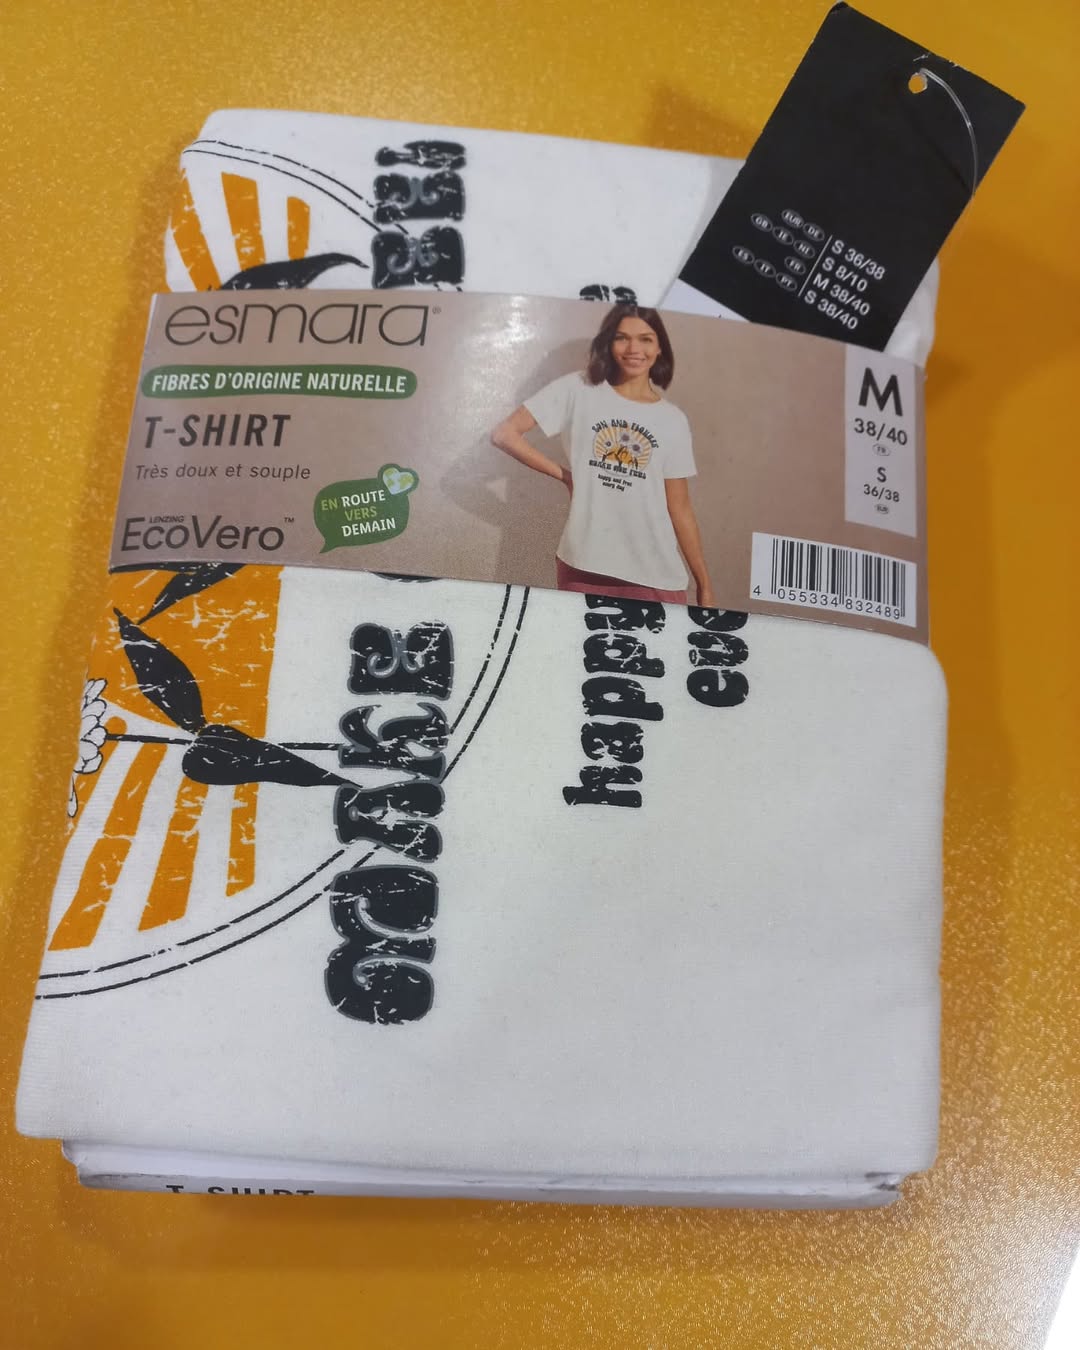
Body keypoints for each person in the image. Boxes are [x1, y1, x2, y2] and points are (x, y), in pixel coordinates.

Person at [491, 304, 715, 606]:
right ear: (609, 343)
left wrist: (704, 584)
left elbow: (680, 508)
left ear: (660, 347)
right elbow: (504, 434)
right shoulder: (579, 389)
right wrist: (566, 476)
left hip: (654, 573)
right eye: (622, 338)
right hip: (584, 566)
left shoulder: (672, 419)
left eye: (646, 339)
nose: (634, 349)